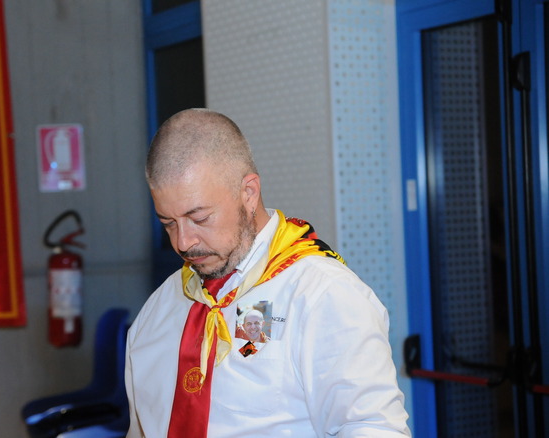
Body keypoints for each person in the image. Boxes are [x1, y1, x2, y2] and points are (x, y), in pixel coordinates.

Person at [125, 108, 410, 437]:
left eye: (199, 218)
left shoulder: (321, 295)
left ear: (249, 193)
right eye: (168, 223)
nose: (183, 242)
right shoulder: (157, 312)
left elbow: (372, 428)